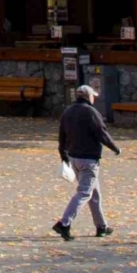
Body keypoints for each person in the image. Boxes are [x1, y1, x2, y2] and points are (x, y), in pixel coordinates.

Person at [52, 84, 120, 240]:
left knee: (94, 194)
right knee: (84, 193)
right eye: (93, 96)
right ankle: (64, 223)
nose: (94, 98)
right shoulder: (91, 112)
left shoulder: (68, 112)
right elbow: (102, 133)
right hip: (89, 160)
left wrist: (63, 155)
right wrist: (115, 148)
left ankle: (102, 227)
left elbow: (61, 136)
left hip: (74, 158)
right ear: (88, 97)